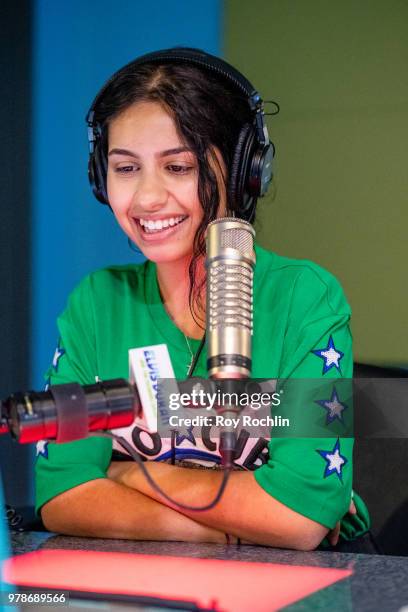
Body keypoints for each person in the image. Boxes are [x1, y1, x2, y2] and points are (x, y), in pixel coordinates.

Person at [35, 48, 370, 550]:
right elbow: (62, 493)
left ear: (242, 173)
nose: (147, 198)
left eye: (178, 167)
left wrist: (130, 475)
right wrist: (229, 525)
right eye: (126, 168)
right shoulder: (96, 304)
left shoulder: (304, 298)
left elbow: (299, 518)